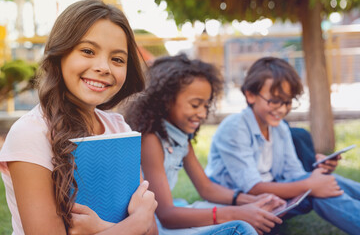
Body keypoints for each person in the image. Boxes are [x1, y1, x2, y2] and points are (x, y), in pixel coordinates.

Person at [0, 0, 157, 235]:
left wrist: (103, 229)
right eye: (87, 51)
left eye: (117, 59)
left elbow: (152, 231)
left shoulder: (119, 128)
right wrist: (137, 221)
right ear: (60, 53)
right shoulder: (31, 133)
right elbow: (142, 225)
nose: (104, 67)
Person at [126, 54, 284, 235]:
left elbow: (206, 188)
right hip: (153, 227)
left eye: (206, 106)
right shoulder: (150, 140)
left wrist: (250, 201)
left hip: (166, 220)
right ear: (165, 101)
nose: (202, 113)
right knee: (241, 228)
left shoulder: (181, 138)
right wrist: (235, 213)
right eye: (195, 105)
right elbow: (166, 215)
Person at [205, 56, 360, 235]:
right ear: (250, 95)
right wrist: (311, 184)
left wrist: (316, 177)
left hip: (272, 196)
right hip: (240, 203)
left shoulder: (279, 128)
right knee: (316, 189)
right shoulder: (234, 128)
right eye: (275, 100)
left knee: (324, 185)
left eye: (287, 102)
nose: (282, 109)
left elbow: (295, 174)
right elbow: (253, 187)